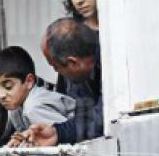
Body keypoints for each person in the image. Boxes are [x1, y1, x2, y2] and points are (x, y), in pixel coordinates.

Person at [20, 18, 103, 146]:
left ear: (73, 63)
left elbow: (103, 117)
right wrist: (57, 133)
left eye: (56, 67)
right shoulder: (82, 72)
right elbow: (86, 118)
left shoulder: (113, 64)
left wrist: (59, 133)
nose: (57, 72)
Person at [0, 46, 76, 140]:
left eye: (8, 86)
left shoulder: (34, 108)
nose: (1, 95)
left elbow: (66, 138)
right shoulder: (15, 109)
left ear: (29, 81)